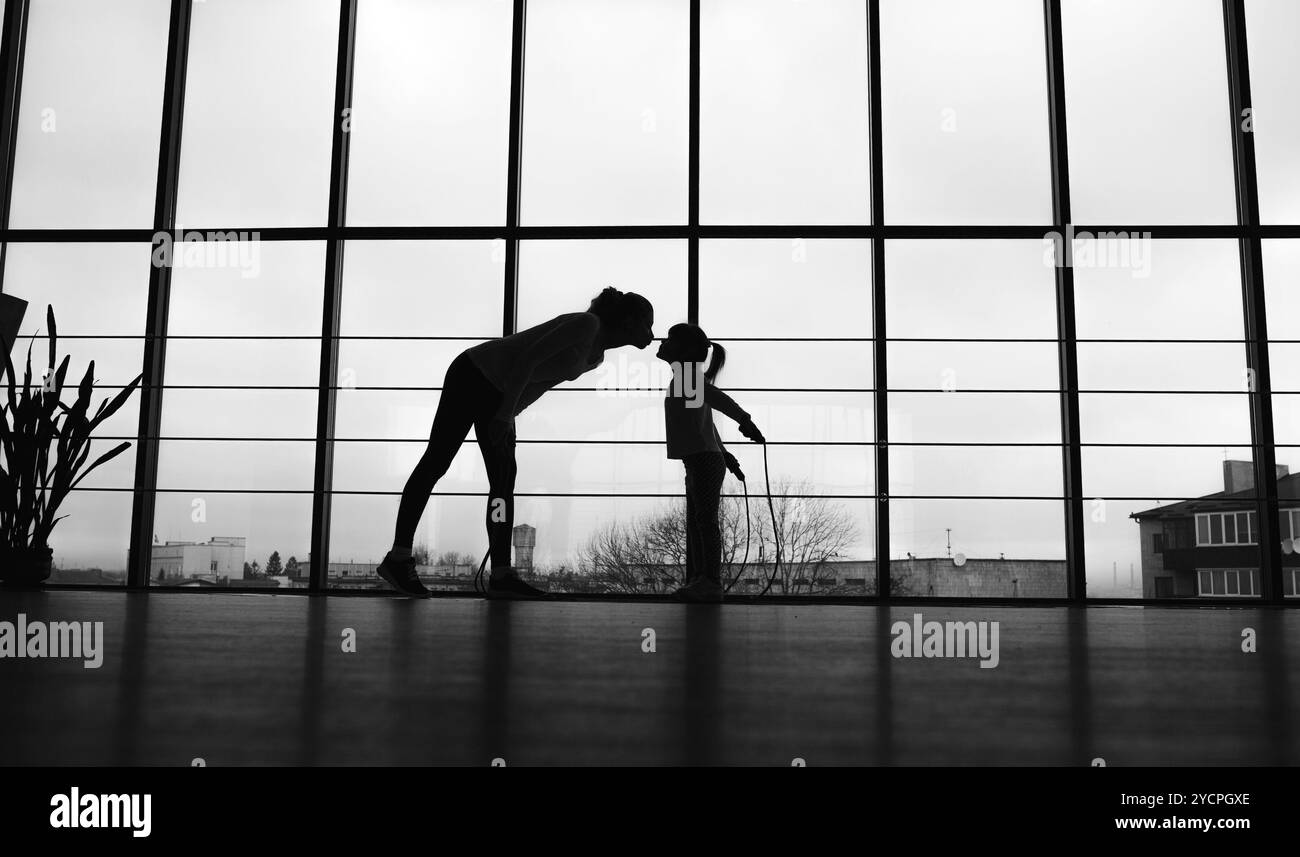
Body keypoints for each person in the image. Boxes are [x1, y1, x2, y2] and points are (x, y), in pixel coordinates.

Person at [376, 287, 655, 599]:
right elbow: (527, 360)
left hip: (499, 394)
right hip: (473, 374)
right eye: (648, 324)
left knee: (503, 482)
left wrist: (508, 417)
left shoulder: (597, 358)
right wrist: (503, 414)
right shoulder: (586, 325)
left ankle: (501, 574)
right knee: (437, 462)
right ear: (629, 321)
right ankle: (399, 558)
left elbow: (539, 382)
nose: (651, 334)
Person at [656, 323, 764, 603]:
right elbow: (705, 423)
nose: (662, 343)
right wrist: (725, 454)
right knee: (700, 522)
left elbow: (717, 399)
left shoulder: (686, 377)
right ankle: (703, 578)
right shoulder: (684, 378)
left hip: (702, 460)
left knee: (704, 522)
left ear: (683, 350)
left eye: (669, 339)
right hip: (701, 459)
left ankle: (710, 582)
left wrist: (744, 420)